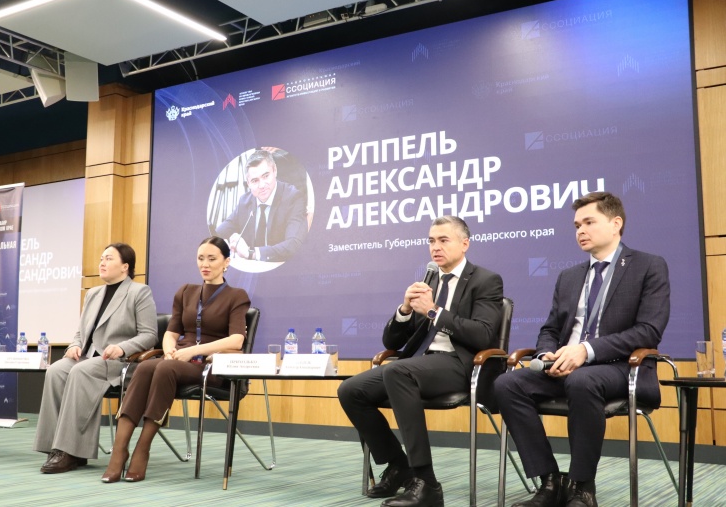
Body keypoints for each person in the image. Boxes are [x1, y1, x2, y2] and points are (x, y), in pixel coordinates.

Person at [494, 192, 669, 507]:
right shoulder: (569, 276)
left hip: (621, 367)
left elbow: (648, 330)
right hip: (565, 367)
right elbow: (550, 329)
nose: (581, 231)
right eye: (577, 225)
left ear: (616, 223)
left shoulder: (648, 266)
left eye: (589, 222)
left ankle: (582, 487)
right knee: (507, 384)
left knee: (582, 380)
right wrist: (546, 354)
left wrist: (586, 350)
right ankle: (550, 481)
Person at [337, 216, 504, 507]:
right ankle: (398, 465)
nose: (435, 247)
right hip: (419, 364)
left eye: (443, 240)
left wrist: (433, 312)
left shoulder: (485, 280)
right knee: (350, 390)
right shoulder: (429, 281)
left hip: (461, 364)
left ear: (464, 244)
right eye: (431, 241)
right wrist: (404, 309)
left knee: (398, 372)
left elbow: (483, 334)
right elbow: (391, 342)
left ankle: (426, 483)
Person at [100, 236, 251, 483]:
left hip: (210, 366)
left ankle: (142, 449)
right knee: (145, 368)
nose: (205, 264)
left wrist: (193, 351)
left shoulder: (237, 295)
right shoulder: (186, 292)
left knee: (165, 369)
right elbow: (171, 333)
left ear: (226, 262)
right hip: (178, 359)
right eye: (200, 258)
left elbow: (236, 340)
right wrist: (170, 350)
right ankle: (119, 451)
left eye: (212, 259)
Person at [34, 243, 158, 473]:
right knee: (55, 371)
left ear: (125, 266)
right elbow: (81, 332)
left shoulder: (139, 292)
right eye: (101, 258)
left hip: (120, 362)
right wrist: (74, 345)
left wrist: (122, 348)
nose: (102, 263)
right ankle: (53, 446)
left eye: (109, 258)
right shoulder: (93, 294)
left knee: (80, 372)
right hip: (88, 357)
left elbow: (149, 335)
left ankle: (71, 451)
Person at [215, 149, 307, 262]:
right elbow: (219, 233)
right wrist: (225, 243)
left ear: (275, 171)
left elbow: (294, 245)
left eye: (266, 176)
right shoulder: (244, 201)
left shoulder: (293, 198)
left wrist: (251, 253)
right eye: (255, 181)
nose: (262, 185)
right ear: (248, 183)